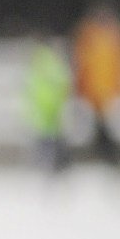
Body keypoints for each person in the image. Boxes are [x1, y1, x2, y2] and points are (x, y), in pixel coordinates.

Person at [72, 0, 120, 168]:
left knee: (109, 128)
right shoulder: (88, 37)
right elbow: (82, 65)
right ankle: (106, 157)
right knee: (99, 127)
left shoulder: (116, 37)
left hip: (110, 93)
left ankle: (112, 158)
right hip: (94, 93)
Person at [21, 36, 71, 174]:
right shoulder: (53, 62)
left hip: (42, 107)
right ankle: (55, 165)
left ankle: (47, 165)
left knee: (45, 139)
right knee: (51, 138)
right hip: (51, 107)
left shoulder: (38, 62)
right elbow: (63, 83)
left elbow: (30, 86)